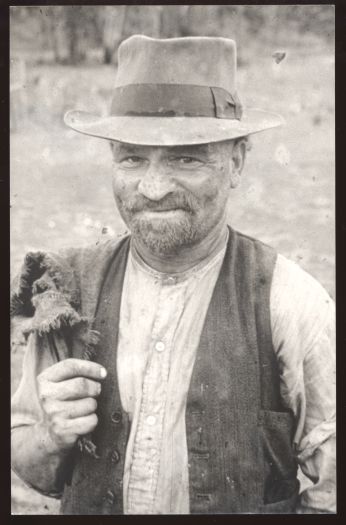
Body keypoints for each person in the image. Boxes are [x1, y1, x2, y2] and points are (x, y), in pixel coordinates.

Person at [11, 35, 335, 515]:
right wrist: (49, 436)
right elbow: (31, 469)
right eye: (132, 157)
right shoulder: (68, 292)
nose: (153, 187)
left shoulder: (291, 301)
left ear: (236, 162)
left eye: (186, 157)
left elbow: (330, 490)